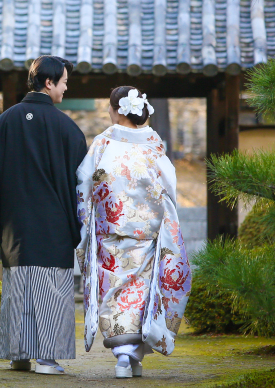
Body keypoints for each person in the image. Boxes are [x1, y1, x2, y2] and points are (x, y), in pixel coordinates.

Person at [0, 55, 88, 375]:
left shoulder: (5, 120)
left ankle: (18, 354)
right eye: (63, 82)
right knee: (52, 285)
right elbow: (82, 182)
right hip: (53, 223)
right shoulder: (68, 129)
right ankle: (48, 359)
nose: (65, 88)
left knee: (17, 283)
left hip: (14, 223)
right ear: (48, 83)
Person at [76, 86, 192, 379]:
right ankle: (132, 356)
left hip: (110, 233)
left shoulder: (104, 143)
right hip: (148, 233)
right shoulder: (154, 144)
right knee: (143, 295)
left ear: (116, 110)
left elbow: (83, 182)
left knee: (115, 293)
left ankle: (125, 357)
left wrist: (85, 221)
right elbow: (168, 187)